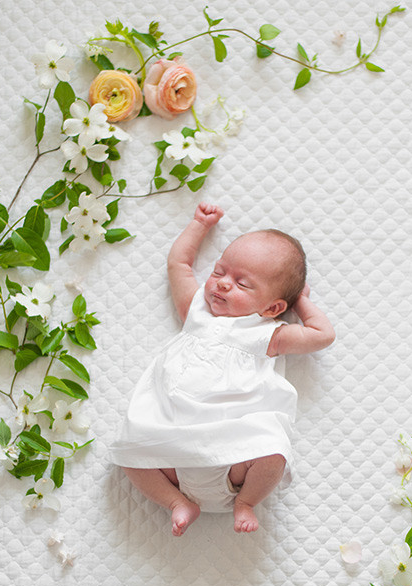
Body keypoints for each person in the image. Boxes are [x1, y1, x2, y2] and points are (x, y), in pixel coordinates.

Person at [109, 202, 335, 536]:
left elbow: (322, 335)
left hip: (235, 461)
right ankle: (176, 502)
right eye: (219, 271)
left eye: (243, 284)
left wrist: (299, 300)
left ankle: (246, 502)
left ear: (273, 307)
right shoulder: (197, 312)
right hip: (170, 454)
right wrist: (199, 224)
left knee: (273, 452)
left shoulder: (265, 334)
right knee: (127, 450)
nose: (223, 284)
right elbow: (179, 264)